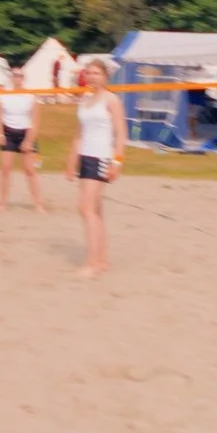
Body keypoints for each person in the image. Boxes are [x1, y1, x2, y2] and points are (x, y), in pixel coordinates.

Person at [73, 57, 127, 276]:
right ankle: (101, 260)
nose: (92, 77)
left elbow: (121, 134)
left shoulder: (111, 100)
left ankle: (92, 262)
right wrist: (72, 162)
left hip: (101, 157)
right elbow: (79, 134)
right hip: (86, 157)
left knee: (85, 209)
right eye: (89, 73)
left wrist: (117, 161)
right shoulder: (85, 99)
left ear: (105, 76)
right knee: (94, 210)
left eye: (96, 73)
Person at [0, 67, 45, 213]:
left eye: (20, 76)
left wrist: (28, 140)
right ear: (11, 78)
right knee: (5, 169)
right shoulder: (2, 95)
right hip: (8, 133)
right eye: (15, 75)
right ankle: (2, 203)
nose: (17, 78)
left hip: (26, 132)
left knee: (30, 170)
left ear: (24, 78)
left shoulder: (30, 96)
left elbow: (35, 121)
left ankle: (38, 203)